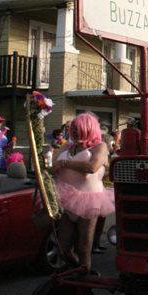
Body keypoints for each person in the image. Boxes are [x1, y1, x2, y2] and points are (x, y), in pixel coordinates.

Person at [49, 112, 114, 272]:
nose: (76, 131)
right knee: (64, 250)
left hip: (89, 201)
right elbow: (53, 166)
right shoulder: (68, 146)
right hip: (68, 199)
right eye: (74, 128)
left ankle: (85, 282)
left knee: (84, 249)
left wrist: (64, 163)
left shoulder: (100, 147)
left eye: (80, 128)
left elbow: (92, 167)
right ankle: (83, 272)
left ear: (89, 129)